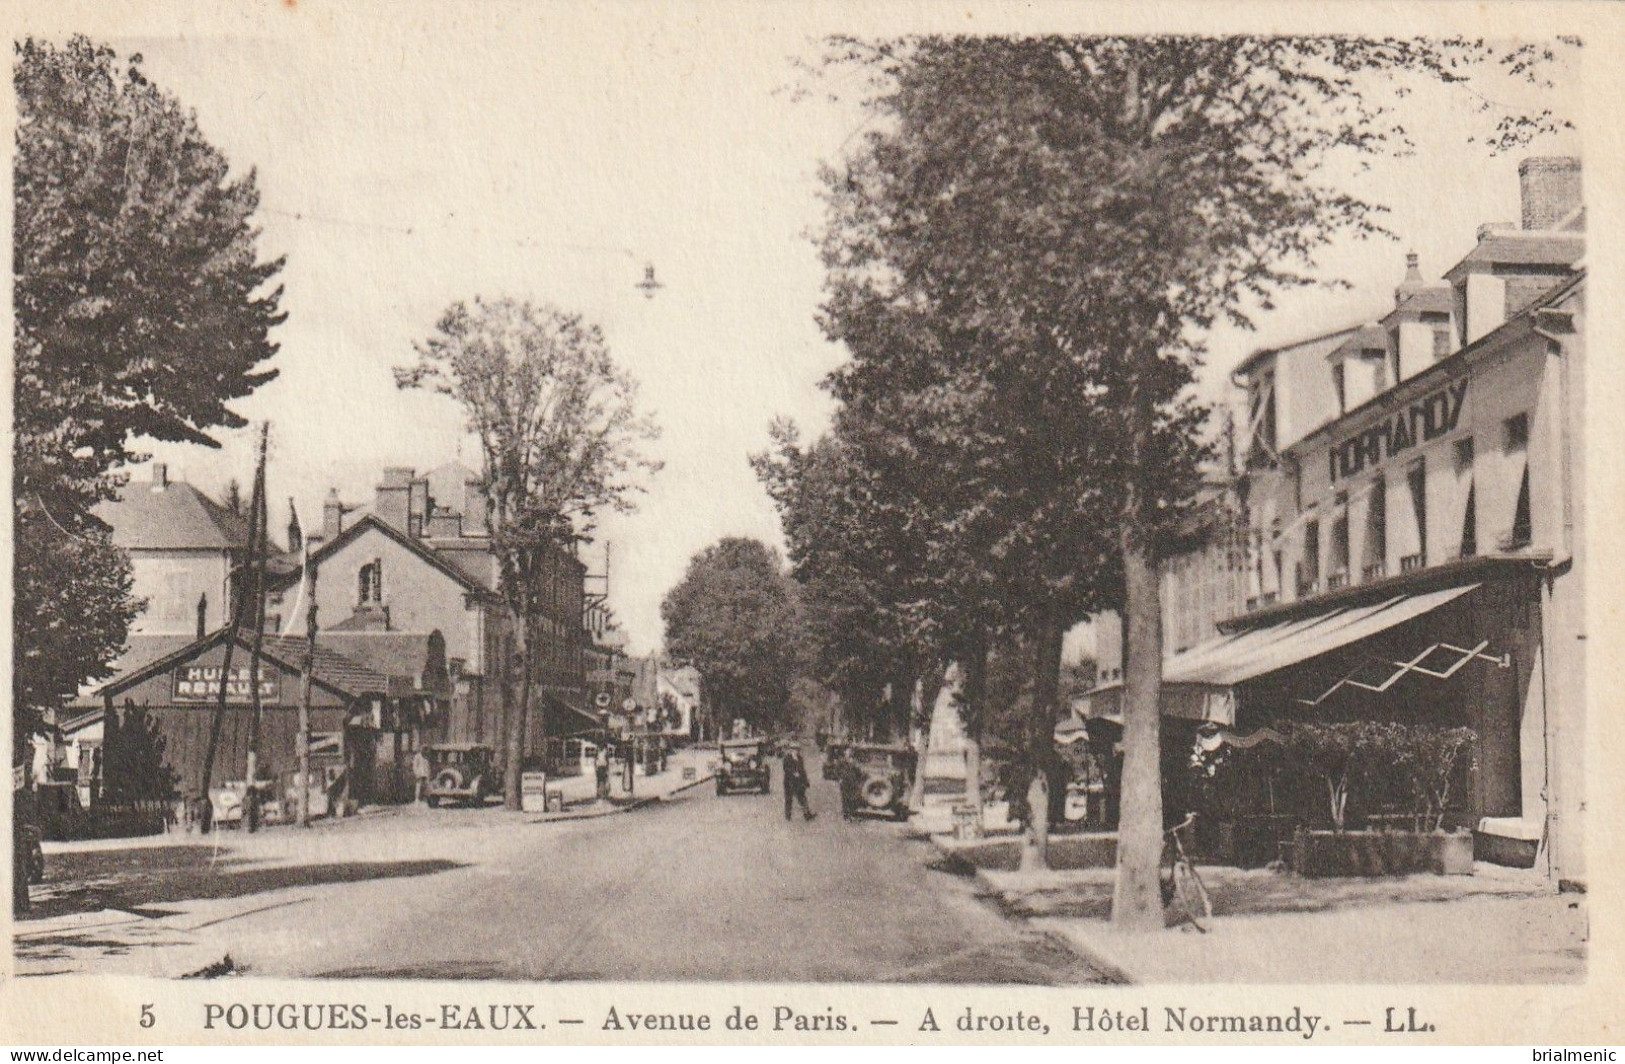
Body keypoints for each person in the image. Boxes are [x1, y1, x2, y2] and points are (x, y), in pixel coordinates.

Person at [781, 744, 815, 822]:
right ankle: (788, 816)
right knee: (788, 799)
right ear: (791, 750)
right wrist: (793, 772)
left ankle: (807, 815)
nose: (796, 751)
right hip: (789, 782)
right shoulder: (787, 758)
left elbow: (803, 771)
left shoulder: (800, 758)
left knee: (802, 798)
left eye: (797, 750)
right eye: (794, 749)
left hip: (798, 782)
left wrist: (806, 781)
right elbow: (785, 769)